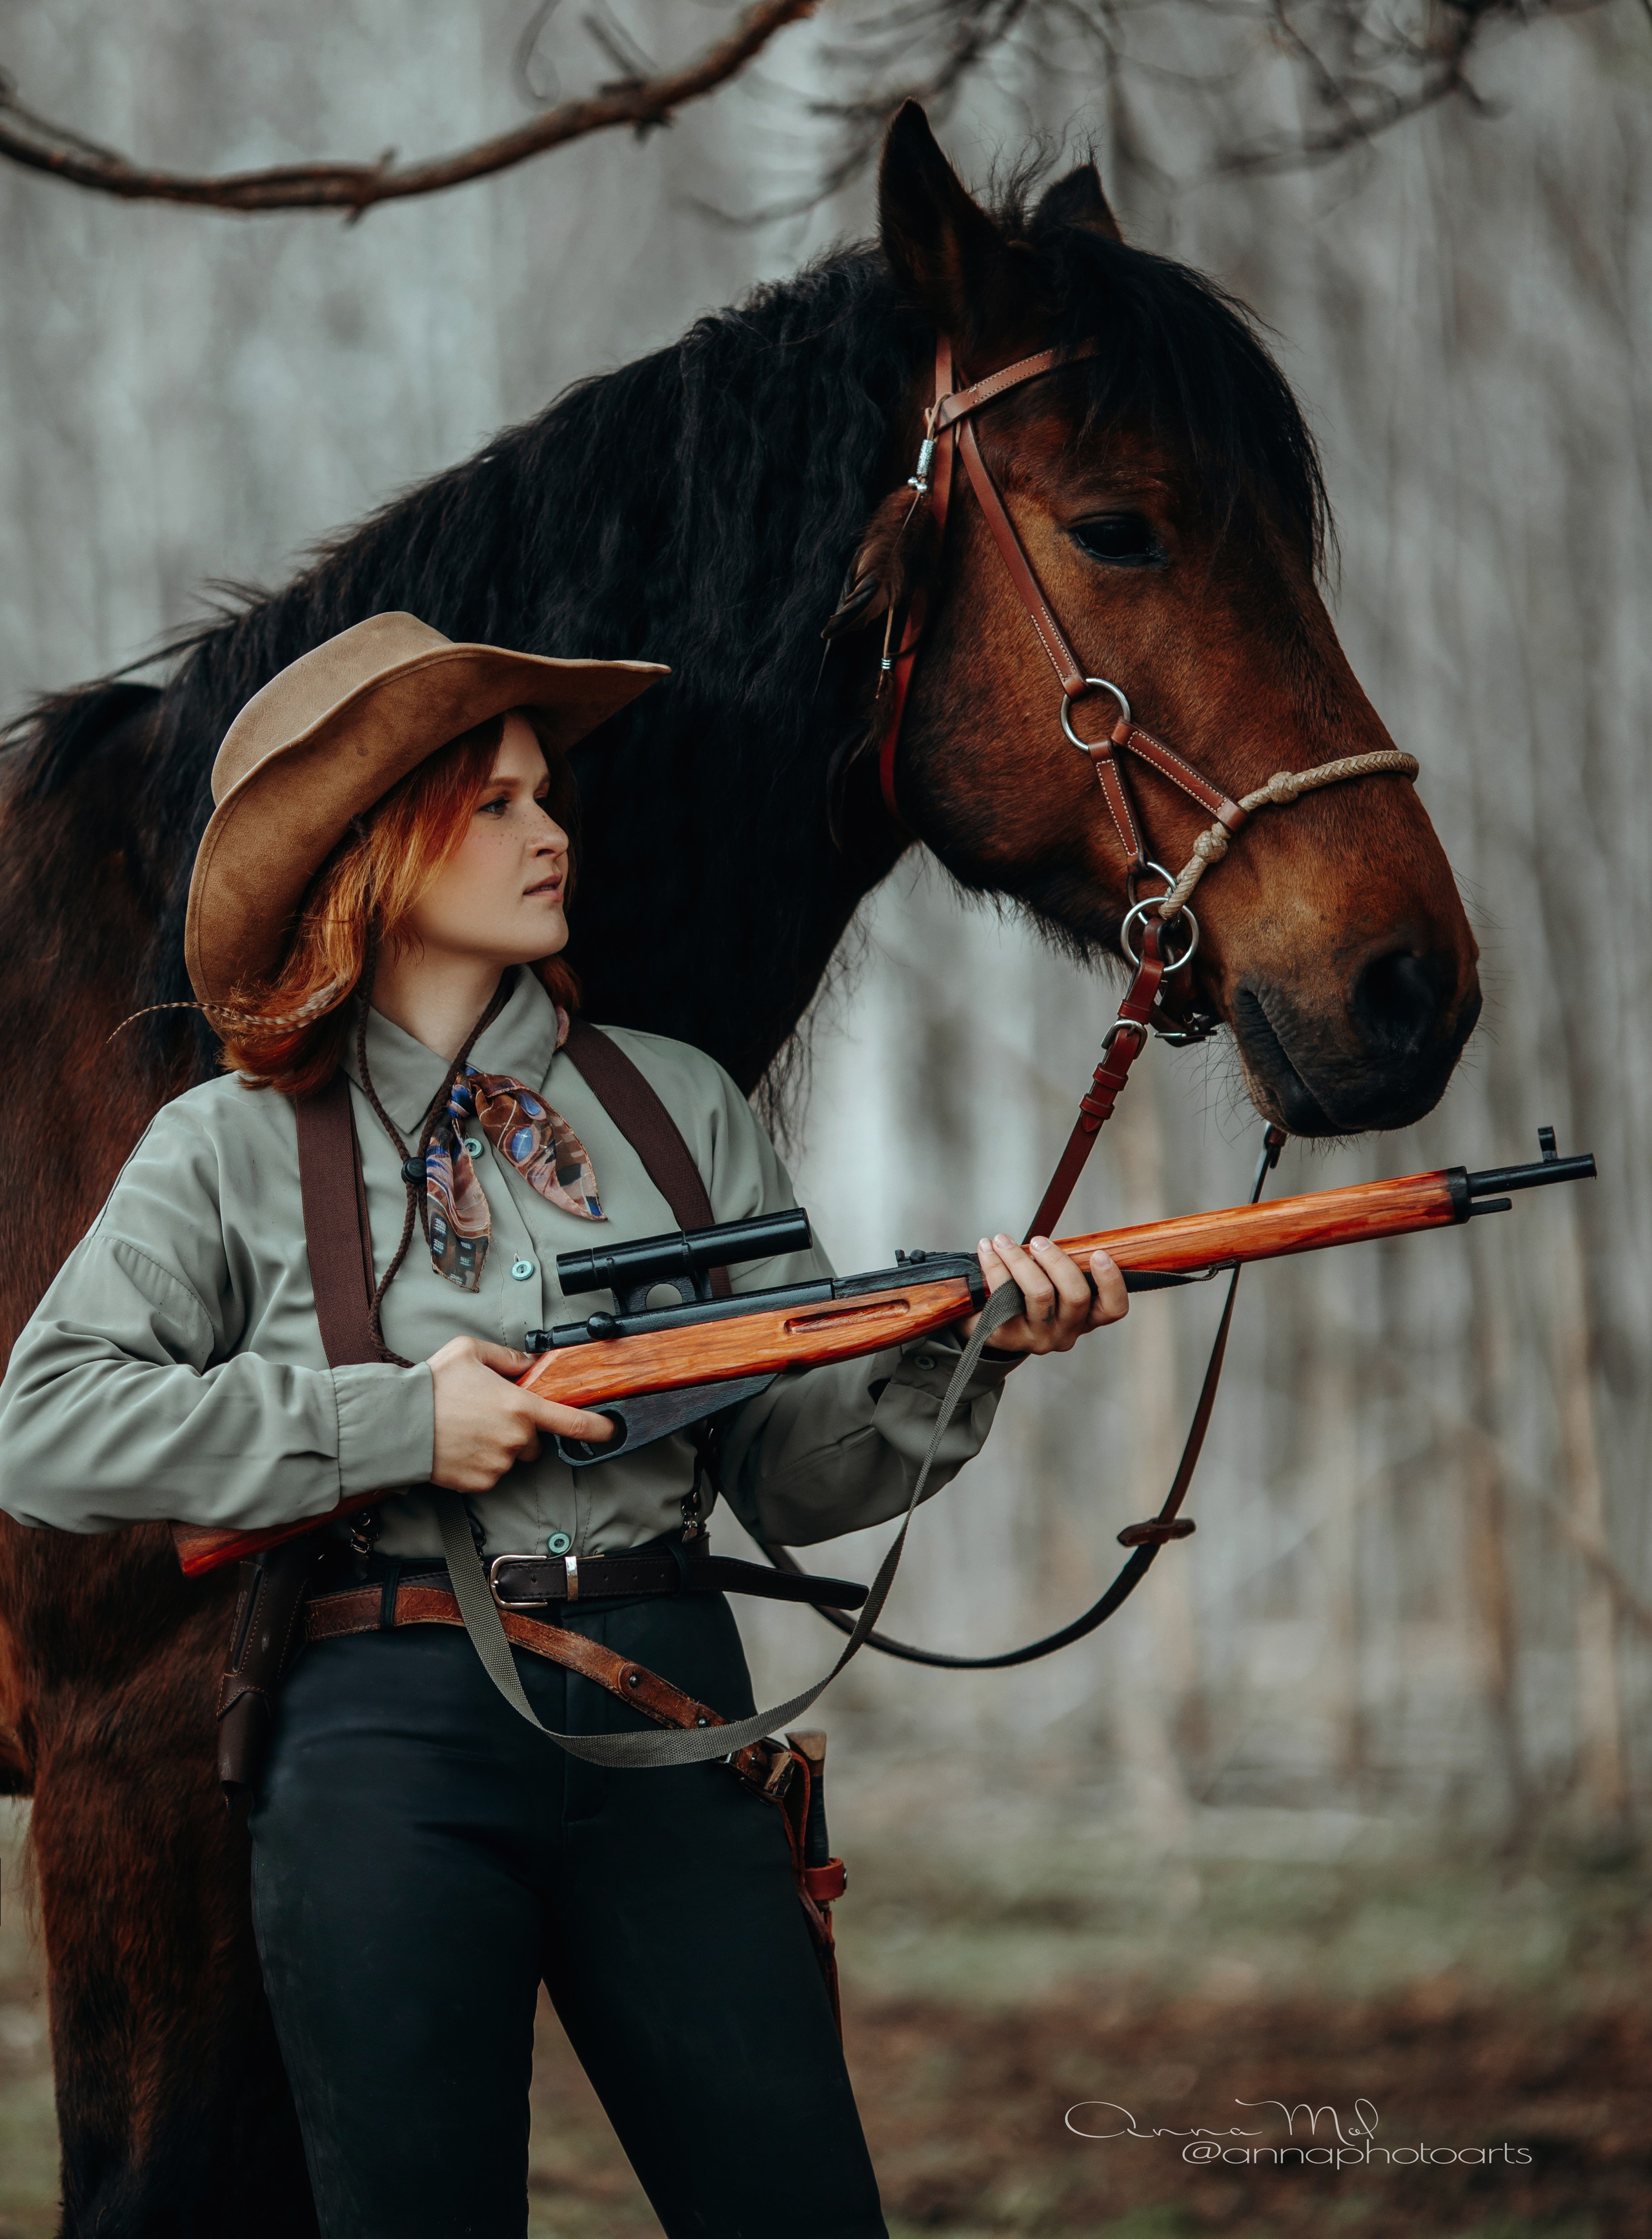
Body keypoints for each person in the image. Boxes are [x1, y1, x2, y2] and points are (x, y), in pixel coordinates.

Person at [0, 612, 1126, 2239]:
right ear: (374, 844)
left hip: (675, 1718)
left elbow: (798, 1480)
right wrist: (393, 1428)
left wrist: (969, 1358)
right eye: (498, 802)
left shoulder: (679, 1110)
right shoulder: (228, 1150)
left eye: (549, 795)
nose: (551, 833)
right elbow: (45, 1426)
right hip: (382, 1743)